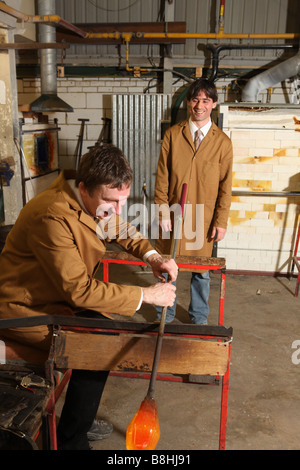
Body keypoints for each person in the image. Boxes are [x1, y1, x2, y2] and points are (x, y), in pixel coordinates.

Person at [0, 144, 177, 450]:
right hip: (24, 308)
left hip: (55, 297)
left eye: (123, 201)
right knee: (95, 347)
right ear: (84, 188)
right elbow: (79, 290)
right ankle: (72, 439)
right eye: (111, 201)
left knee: (103, 335)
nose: (118, 209)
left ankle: (78, 418)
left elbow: (120, 228)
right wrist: (147, 294)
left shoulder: (89, 200)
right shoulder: (52, 215)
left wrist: (153, 256)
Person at [154, 78, 233, 325]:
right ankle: (163, 313)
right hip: (175, 215)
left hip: (204, 217)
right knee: (168, 265)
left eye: (205, 100)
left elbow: (226, 187)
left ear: (214, 104)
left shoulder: (222, 143)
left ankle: (198, 318)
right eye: (195, 100)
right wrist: (162, 211)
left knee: (201, 271)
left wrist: (220, 221)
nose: (200, 105)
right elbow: (162, 178)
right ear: (189, 102)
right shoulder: (172, 136)